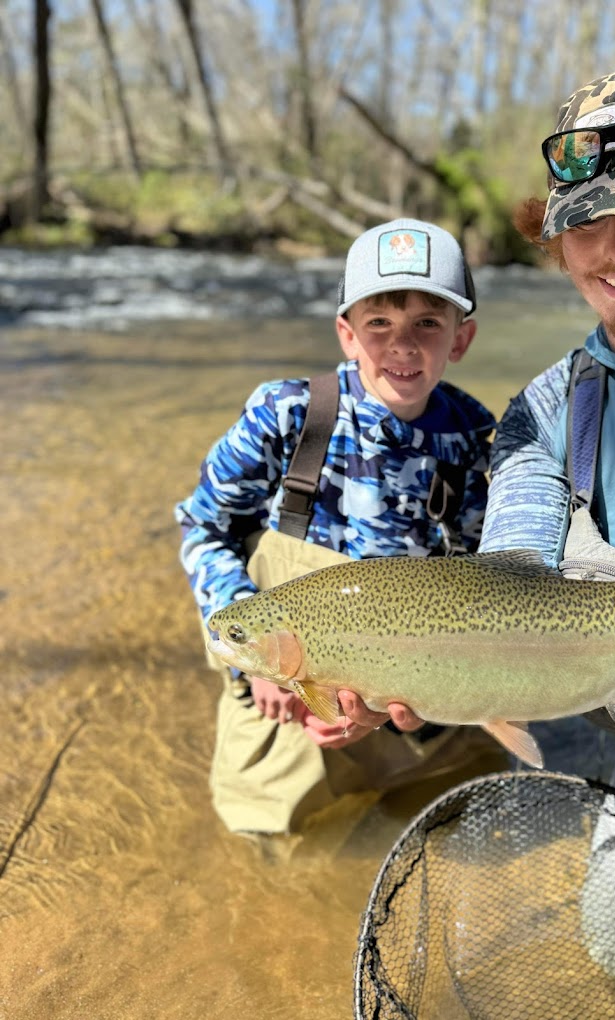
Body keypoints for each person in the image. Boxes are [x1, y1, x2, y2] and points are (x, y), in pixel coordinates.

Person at [345, 64, 615, 891]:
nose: (612, 248)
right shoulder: (537, 416)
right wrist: (412, 667)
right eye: (585, 222)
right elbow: (514, 579)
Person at [175, 217, 506, 837]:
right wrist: (258, 663)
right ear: (347, 334)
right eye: (379, 323)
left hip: (412, 684)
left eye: (427, 324)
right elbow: (204, 527)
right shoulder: (290, 415)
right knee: (270, 844)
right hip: (284, 687)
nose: (402, 346)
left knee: (460, 816)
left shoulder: (477, 439)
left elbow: (482, 579)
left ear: (461, 340)